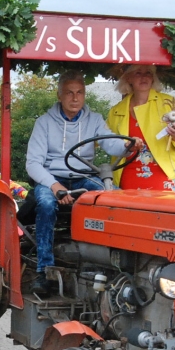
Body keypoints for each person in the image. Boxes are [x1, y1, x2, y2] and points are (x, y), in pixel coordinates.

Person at [26, 71, 139, 296]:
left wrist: (128, 147)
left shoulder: (94, 120)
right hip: (53, 178)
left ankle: (114, 265)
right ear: (60, 95)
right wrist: (55, 186)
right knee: (47, 204)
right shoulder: (45, 123)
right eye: (69, 93)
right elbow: (33, 164)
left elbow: (111, 144)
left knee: (115, 199)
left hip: (83, 176)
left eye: (80, 92)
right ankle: (44, 270)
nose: (75, 98)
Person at [106, 65, 175, 192]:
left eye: (148, 73)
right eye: (138, 73)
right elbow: (107, 142)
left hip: (163, 174)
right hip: (128, 175)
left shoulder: (168, 103)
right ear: (128, 78)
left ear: (153, 78)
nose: (144, 77)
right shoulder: (116, 111)